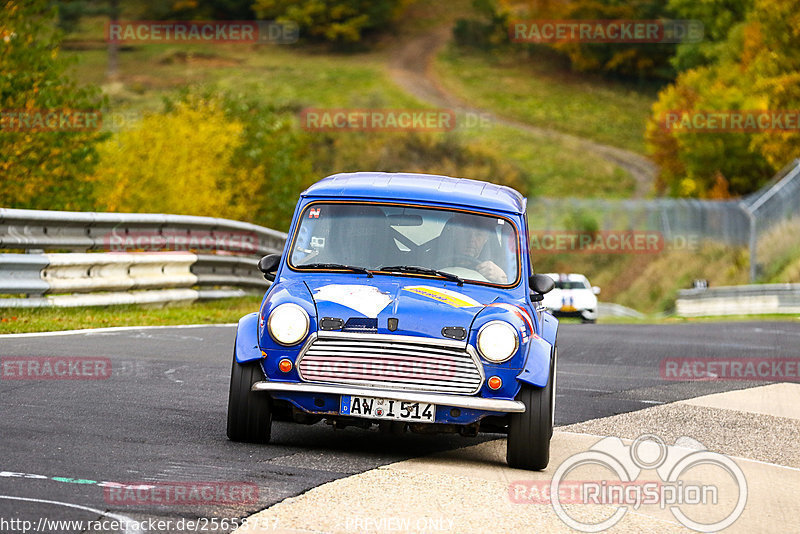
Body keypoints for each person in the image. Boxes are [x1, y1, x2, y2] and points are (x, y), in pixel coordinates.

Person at [439, 215, 508, 284]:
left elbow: (508, 289)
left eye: (479, 235)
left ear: (485, 239)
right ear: (456, 235)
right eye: (466, 233)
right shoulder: (433, 258)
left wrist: (500, 278)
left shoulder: (494, 268)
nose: (471, 239)